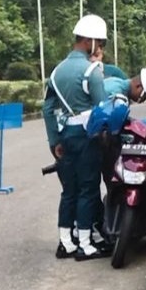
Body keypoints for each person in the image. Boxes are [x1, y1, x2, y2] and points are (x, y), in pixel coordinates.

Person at [43, 13, 112, 261]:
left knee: (69, 191)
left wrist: (54, 141)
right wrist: (106, 136)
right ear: (89, 41)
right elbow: (103, 108)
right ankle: (85, 243)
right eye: (100, 43)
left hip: (64, 135)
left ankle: (65, 242)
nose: (100, 47)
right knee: (88, 188)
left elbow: (47, 109)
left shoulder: (56, 71)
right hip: (86, 137)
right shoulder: (91, 70)